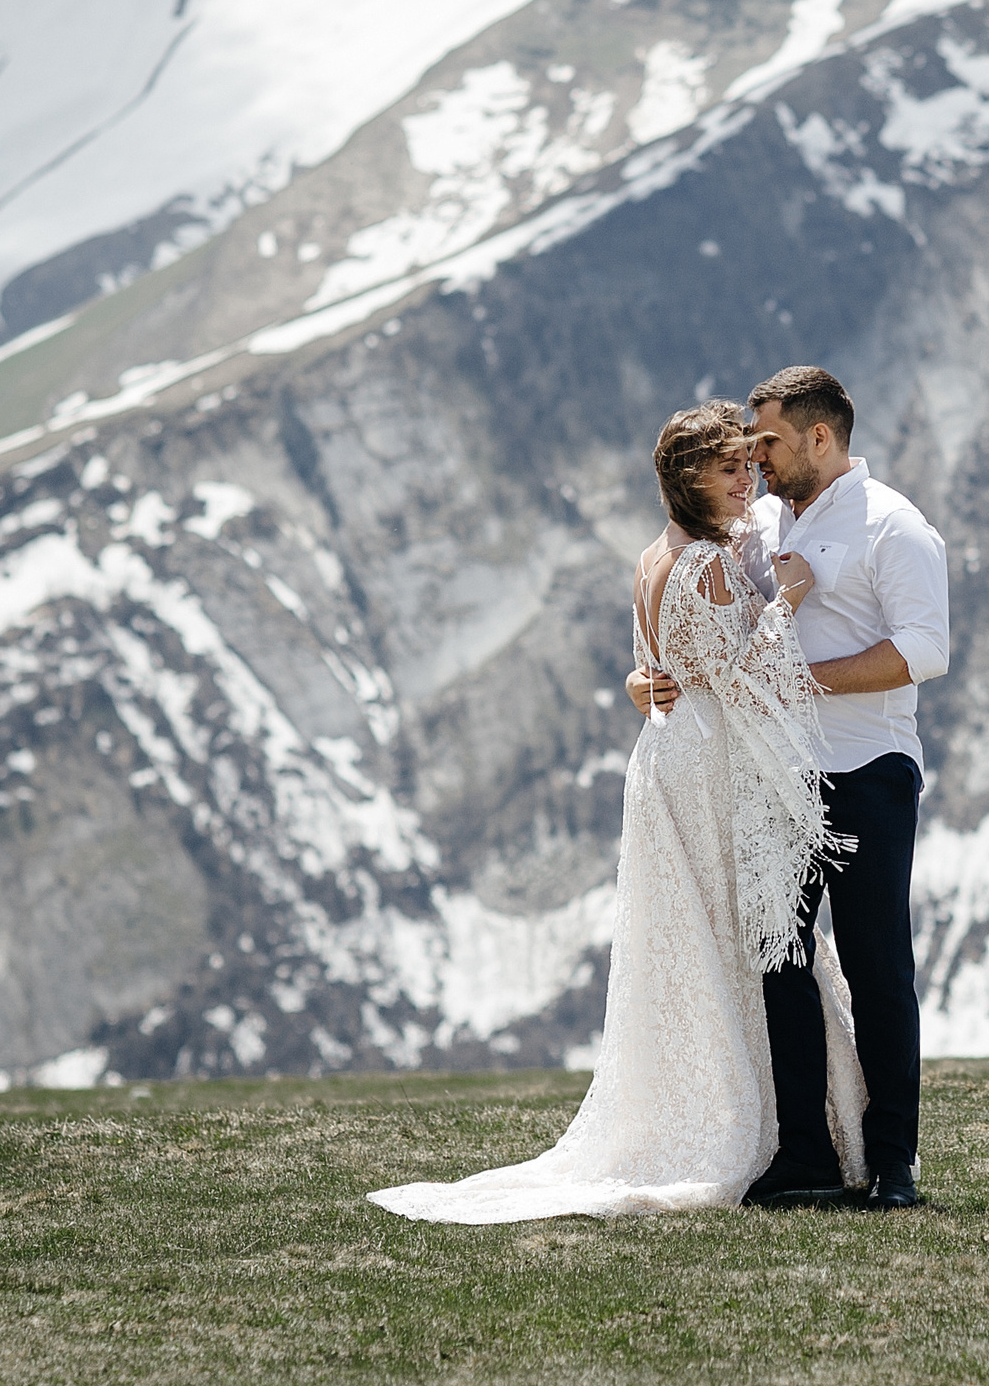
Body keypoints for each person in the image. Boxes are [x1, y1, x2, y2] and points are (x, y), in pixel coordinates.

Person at [369, 402, 869, 1224]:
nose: (746, 477)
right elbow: (746, 675)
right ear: (689, 479)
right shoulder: (707, 564)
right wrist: (787, 600)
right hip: (709, 755)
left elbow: (654, 661)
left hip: (670, 753)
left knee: (706, 938)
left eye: (749, 462)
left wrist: (647, 681)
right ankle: (766, 1126)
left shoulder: (655, 556)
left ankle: (764, 1115)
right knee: (739, 935)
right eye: (729, 467)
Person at [625, 367, 949, 1211]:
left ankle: (895, 1163)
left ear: (819, 436)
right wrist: (649, 675)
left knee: (879, 966)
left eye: (765, 440)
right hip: (773, 778)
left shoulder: (896, 527)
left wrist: (800, 682)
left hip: (870, 770)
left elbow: (924, 651)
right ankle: (803, 1149)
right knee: (782, 961)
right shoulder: (760, 521)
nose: (754, 456)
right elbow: (696, 616)